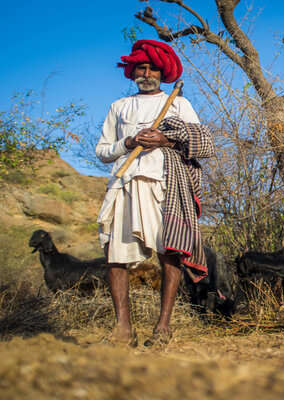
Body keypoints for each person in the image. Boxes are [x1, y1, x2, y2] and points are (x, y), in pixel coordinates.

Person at [96, 39, 214, 347]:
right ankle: (123, 330)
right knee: (116, 257)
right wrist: (130, 142)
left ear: (163, 73)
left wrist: (164, 139)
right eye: (140, 67)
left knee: (169, 253)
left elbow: (201, 141)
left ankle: (163, 328)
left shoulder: (178, 104)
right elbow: (103, 151)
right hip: (124, 185)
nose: (146, 73)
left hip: (165, 185)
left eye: (152, 68)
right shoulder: (119, 107)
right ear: (132, 71)